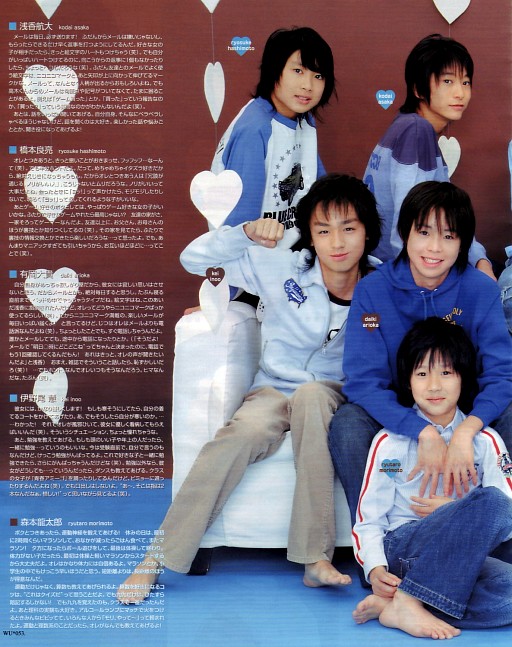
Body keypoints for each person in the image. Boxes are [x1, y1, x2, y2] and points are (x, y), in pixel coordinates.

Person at [116, 173, 381, 604]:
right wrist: (243, 234)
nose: (336, 242)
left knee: (313, 398)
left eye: (348, 228)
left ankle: (315, 558)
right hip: (273, 388)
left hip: (336, 393)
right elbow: (193, 260)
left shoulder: (383, 285)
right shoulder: (280, 263)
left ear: (367, 231)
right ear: (309, 235)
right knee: (237, 436)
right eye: (323, 230)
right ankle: (155, 559)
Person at [328, 181, 512, 551]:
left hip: (463, 406)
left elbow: (501, 375)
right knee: (348, 424)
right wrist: (422, 431)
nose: (434, 248)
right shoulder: (373, 291)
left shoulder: (480, 290)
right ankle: (380, 553)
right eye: (424, 232)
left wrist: (465, 431)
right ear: (405, 233)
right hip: (398, 408)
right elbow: (363, 382)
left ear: (463, 243)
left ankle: (496, 544)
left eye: (449, 236)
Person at [352, 317, 512, 638]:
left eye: (446, 373)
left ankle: (403, 603)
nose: (434, 386)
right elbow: (369, 520)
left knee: (498, 506)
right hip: (405, 548)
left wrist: (454, 511)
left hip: (463, 561)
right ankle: (411, 598)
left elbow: (505, 516)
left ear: (463, 378)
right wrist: (374, 568)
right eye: (422, 374)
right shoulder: (390, 443)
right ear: (408, 381)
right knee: (493, 501)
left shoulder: (485, 441)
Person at [363, 33, 495, 280]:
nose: (460, 93)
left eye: (465, 82)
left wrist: (479, 260)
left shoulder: (410, 127)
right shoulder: (416, 130)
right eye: (447, 81)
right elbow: (406, 230)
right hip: (400, 274)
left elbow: (447, 219)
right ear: (418, 88)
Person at [213, 26, 335, 244]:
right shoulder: (255, 130)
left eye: (318, 76)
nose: (308, 86)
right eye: (298, 71)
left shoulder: (304, 119)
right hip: (255, 259)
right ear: (274, 69)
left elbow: (320, 189)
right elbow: (240, 228)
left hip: (291, 251)